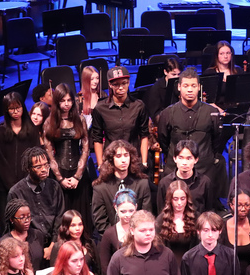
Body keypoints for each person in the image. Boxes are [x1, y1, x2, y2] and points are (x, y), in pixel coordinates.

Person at [158, 66, 225, 198]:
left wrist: (209, 157)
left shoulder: (211, 112)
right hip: (175, 169)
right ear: (179, 87)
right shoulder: (167, 113)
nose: (190, 89)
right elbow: (163, 140)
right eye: (186, 86)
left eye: (193, 86)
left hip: (204, 168)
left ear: (199, 87)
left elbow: (218, 139)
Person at [42, 82, 91, 227]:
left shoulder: (80, 119)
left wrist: (77, 176)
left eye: (69, 100)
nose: (66, 104)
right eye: (63, 100)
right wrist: (60, 179)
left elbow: (86, 149)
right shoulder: (49, 122)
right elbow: (49, 153)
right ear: (57, 102)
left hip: (78, 172)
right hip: (59, 172)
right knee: (61, 214)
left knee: (80, 213)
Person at [91, 139, 153, 238]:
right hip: (111, 240)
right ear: (111, 159)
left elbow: (145, 216)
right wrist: (117, 238)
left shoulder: (142, 184)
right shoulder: (100, 188)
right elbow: (100, 222)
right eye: (118, 156)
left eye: (126, 155)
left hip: (138, 238)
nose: (123, 160)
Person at [8, 146, 65, 251]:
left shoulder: (55, 186)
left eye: (46, 165)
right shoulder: (16, 192)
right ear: (28, 169)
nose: (44, 169)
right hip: (28, 245)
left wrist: (52, 245)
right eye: (38, 167)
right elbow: (13, 226)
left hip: (54, 243)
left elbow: (59, 217)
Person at [90, 65, 150, 163]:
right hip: (111, 160)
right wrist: (100, 165)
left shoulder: (138, 106)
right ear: (110, 85)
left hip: (133, 160)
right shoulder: (100, 108)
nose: (121, 88)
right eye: (116, 84)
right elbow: (97, 138)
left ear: (129, 82)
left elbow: (144, 135)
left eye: (124, 83)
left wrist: (144, 162)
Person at [0, 91, 39, 195]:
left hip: (29, 183)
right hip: (6, 185)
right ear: (6, 110)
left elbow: (35, 155)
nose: (16, 111)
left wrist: (28, 180)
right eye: (11, 109)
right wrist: (11, 184)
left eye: (18, 107)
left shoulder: (32, 129)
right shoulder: (1, 131)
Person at [155, 139, 214, 215]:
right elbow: (161, 212)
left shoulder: (204, 182)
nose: (184, 163)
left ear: (196, 160)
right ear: (174, 159)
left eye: (189, 158)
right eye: (180, 158)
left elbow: (209, 213)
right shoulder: (165, 183)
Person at [157, 180, 199, 265]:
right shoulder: (161, 220)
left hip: (191, 265)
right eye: (175, 199)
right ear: (170, 200)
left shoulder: (196, 218)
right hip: (168, 266)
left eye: (182, 199)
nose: (179, 203)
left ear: (187, 199)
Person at [98, 189, 137, 275]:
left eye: (131, 211)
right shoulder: (109, 234)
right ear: (116, 208)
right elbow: (105, 265)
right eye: (123, 211)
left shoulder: (141, 230)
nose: (127, 215)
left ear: (136, 207)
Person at [1, 198, 45, 272]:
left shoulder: (37, 235)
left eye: (29, 216)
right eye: (22, 218)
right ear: (12, 219)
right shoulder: (4, 242)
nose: (27, 220)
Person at [221, 190, 250, 275]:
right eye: (239, 205)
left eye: (247, 205)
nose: (243, 209)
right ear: (231, 205)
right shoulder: (222, 229)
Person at [78, 64, 105, 129]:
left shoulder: (102, 95)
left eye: (97, 78)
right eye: (92, 79)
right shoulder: (79, 98)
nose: (95, 81)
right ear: (85, 80)